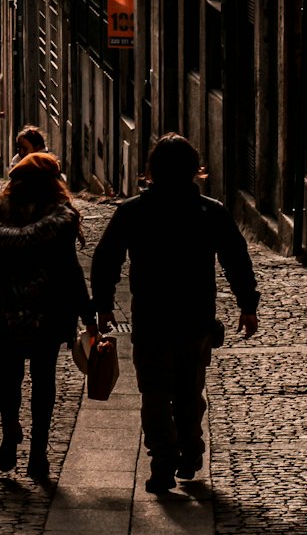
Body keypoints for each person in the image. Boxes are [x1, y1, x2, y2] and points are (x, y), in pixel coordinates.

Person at [90, 133, 260, 494]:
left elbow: (106, 260)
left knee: (153, 392)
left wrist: (103, 306)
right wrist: (248, 305)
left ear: (151, 171)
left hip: (151, 318)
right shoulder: (210, 212)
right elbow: (236, 259)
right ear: (194, 170)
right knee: (188, 389)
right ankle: (190, 452)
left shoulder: (133, 211)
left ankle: (163, 463)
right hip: (196, 318)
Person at [0, 152, 96, 482]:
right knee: (44, 380)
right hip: (48, 313)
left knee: (7, 375)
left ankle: (10, 427)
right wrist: (87, 313)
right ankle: (38, 452)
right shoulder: (59, 221)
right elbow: (70, 270)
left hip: (3, 311)